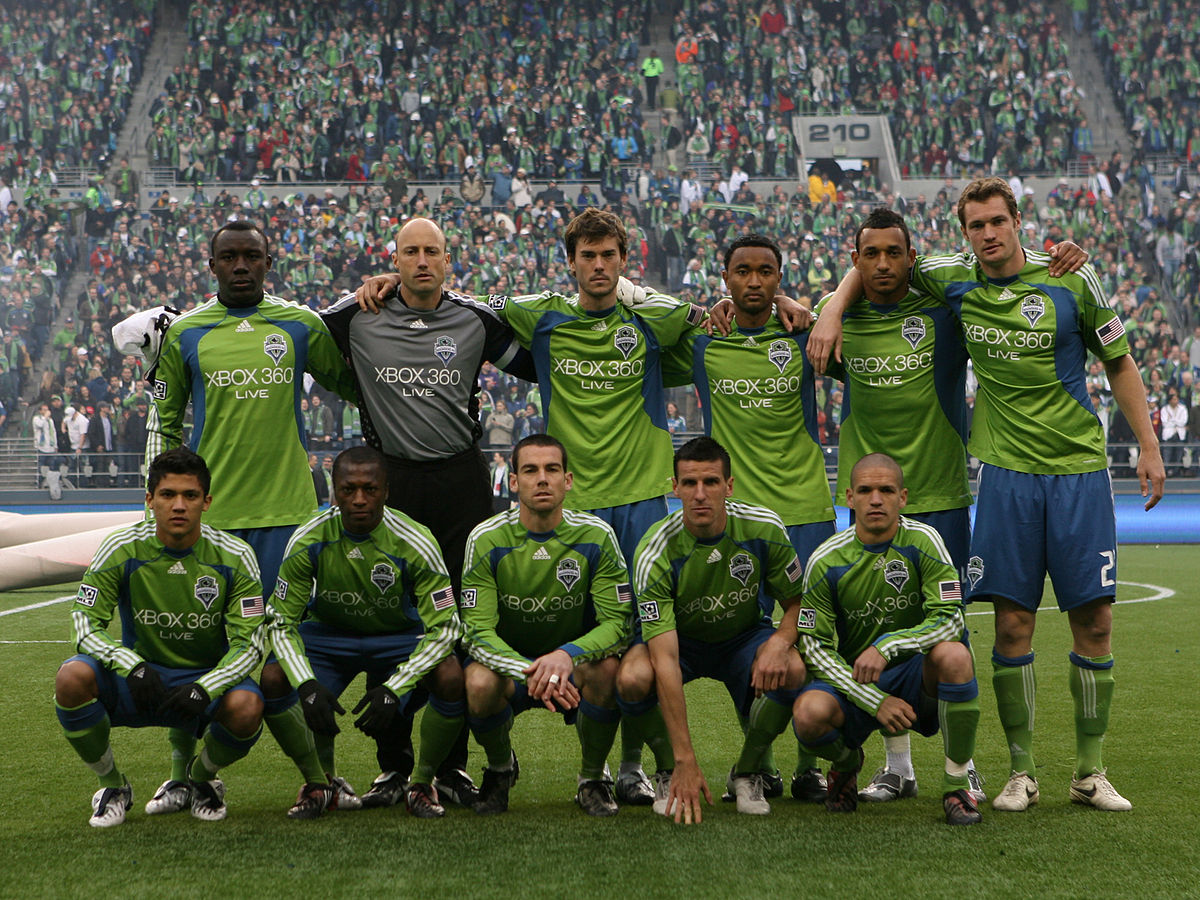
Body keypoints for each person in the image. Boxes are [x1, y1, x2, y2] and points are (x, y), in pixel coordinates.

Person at [812, 177, 1165, 812]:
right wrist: (833, 307)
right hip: (1004, 474)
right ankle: (1020, 772)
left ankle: (1090, 771)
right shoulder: (951, 277)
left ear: (1018, 220)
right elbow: (876, 265)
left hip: (1079, 469)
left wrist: (1148, 445)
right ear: (964, 233)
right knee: (1011, 622)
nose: (988, 233)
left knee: (1095, 620)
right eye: (976, 225)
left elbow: (1119, 362)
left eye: (997, 221)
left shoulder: (1072, 278)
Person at [145, 220, 358, 814]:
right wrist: (153, 502)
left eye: (252, 256)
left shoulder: (299, 324)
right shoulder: (186, 333)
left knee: (297, 656)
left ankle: (324, 777)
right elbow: (164, 423)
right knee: (197, 653)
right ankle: (184, 777)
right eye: (230, 257)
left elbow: (354, 386)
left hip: (289, 519)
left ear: (270, 262)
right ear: (211, 265)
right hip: (210, 523)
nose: (241, 265)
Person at [325, 216, 535, 806]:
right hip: (390, 482)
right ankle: (393, 765)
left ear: (448, 260)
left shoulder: (474, 320)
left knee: (461, 619)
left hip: (460, 482)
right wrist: (364, 288)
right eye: (410, 252)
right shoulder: (357, 315)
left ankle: (451, 766)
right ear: (394, 260)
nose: (422, 261)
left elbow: (537, 361)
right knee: (389, 614)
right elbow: (301, 331)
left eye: (432, 252)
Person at [813, 208, 983, 803]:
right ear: (854, 260)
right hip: (870, 499)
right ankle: (898, 766)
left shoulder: (943, 312)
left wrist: (835, 299)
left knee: (949, 631)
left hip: (939, 495)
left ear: (913, 257)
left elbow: (991, 272)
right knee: (873, 624)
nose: (882, 264)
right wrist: (833, 307)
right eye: (870, 254)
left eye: (894, 253)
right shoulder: (838, 323)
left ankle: (964, 765)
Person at [662, 234, 832, 802]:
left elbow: (847, 319)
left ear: (780, 277)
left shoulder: (803, 333)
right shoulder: (704, 342)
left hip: (804, 506)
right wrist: (699, 311)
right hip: (737, 518)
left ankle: (809, 766)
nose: (754, 281)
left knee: (809, 638)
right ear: (725, 278)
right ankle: (758, 764)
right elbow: (644, 313)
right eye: (742, 271)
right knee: (749, 641)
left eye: (765, 271)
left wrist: (807, 306)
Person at [53, 448, 265, 827]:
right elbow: (83, 623)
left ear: (206, 502)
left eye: (190, 495)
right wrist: (131, 665)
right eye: (168, 494)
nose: (179, 505)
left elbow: (250, 644)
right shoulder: (121, 548)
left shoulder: (236, 555)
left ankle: (199, 778)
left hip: (203, 679)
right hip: (139, 677)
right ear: (150, 499)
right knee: (71, 677)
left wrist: (206, 687)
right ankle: (112, 785)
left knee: (248, 706)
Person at [263, 447, 467, 819]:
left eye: (369, 489)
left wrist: (395, 688)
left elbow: (446, 627)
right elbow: (280, 622)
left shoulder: (415, 540)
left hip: (397, 639)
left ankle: (422, 784)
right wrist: (306, 684)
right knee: (274, 677)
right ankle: (320, 783)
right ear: (334, 492)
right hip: (328, 637)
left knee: (451, 674)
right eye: (348, 489)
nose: (359, 499)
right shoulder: (308, 537)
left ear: (386, 491)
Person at [616, 437, 808, 824]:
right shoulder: (655, 550)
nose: (700, 494)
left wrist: (780, 641)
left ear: (729, 486)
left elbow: (797, 604)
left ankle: (748, 772)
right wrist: (685, 759)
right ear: (675, 488)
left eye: (711, 482)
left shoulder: (763, 527)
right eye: (689, 483)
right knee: (633, 676)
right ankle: (669, 771)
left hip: (743, 637)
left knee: (794, 668)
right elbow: (665, 659)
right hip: (680, 642)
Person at [792, 453, 982, 825]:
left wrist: (888, 645)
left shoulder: (924, 541)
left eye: (886, 490)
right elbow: (813, 646)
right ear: (849, 498)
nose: (875, 500)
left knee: (955, 656)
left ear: (903, 497)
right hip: (858, 680)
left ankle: (957, 786)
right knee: (808, 713)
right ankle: (847, 762)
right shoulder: (826, 560)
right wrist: (874, 700)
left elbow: (951, 620)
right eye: (865, 491)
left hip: (915, 677)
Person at [460, 434, 633, 816]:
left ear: (567, 480)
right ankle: (500, 769)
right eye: (530, 470)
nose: (542, 479)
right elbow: (477, 632)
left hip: (572, 665)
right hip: (512, 667)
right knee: (477, 682)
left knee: (608, 671)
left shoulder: (596, 536)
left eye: (552, 469)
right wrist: (532, 669)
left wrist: (565, 656)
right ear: (514, 481)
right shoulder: (486, 538)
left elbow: (618, 623)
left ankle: (592, 779)